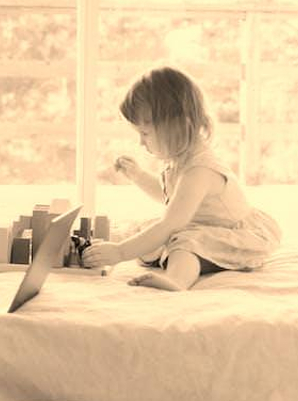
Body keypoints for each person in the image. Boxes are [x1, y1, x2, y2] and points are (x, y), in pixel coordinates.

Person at [82, 66, 282, 291]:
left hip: (234, 236)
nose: (141, 142)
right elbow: (168, 196)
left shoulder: (200, 170)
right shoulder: (180, 159)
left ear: (176, 125)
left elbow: (170, 223)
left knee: (185, 244)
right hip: (201, 226)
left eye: (145, 134)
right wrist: (138, 176)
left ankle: (176, 280)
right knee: (145, 229)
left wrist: (120, 252)